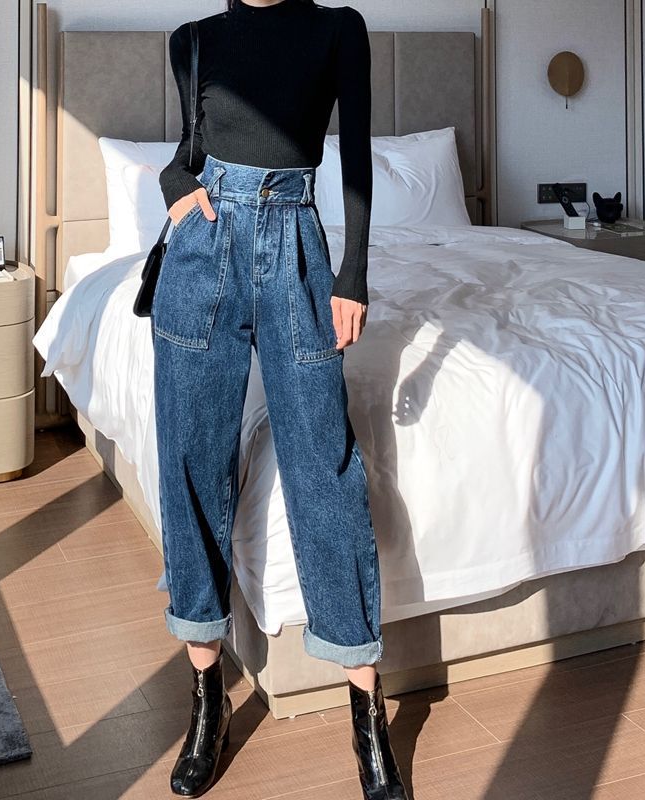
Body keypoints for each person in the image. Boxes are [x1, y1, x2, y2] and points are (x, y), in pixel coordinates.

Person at [153, 1, 408, 797]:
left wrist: (354, 272)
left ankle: (368, 721)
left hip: (296, 244)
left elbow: (356, 157)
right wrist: (175, 190)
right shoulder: (193, 41)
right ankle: (205, 698)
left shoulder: (339, 28)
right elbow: (185, 156)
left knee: (324, 471)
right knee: (191, 463)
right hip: (203, 250)